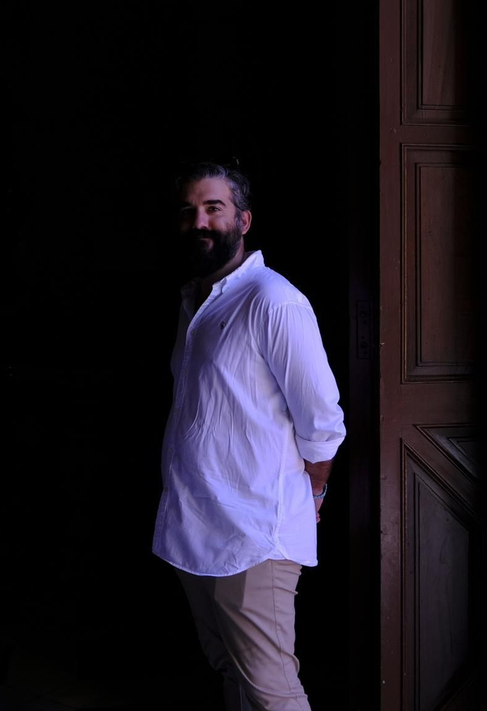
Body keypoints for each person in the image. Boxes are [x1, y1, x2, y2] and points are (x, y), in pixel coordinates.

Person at [153, 162, 347, 711]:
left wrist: (314, 493)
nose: (200, 221)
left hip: (255, 534)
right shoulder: (195, 299)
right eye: (190, 211)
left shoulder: (272, 299)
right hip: (197, 525)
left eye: (214, 208)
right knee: (231, 672)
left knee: (270, 689)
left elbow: (322, 422)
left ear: (243, 219)